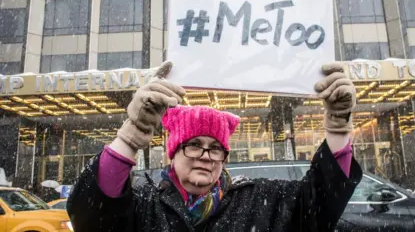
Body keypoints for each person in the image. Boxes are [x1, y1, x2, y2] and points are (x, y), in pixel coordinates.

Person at [67, 61, 362, 232]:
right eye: (194, 145)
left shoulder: (259, 200)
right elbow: (92, 215)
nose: (206, 157)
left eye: (216, 148)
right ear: (173, 152)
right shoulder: (144, 203)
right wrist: (131, 135)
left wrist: (338, 126)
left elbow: (321, 203)